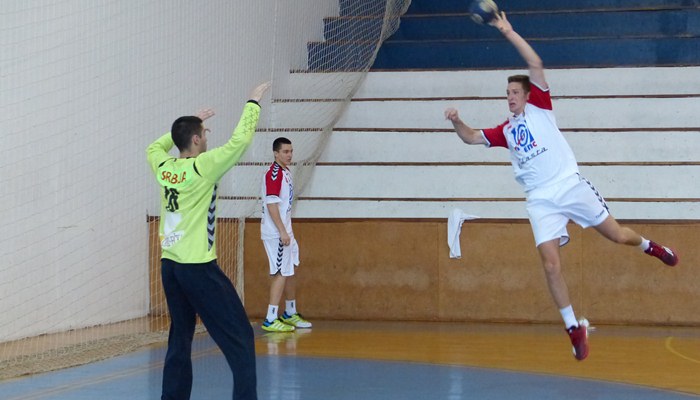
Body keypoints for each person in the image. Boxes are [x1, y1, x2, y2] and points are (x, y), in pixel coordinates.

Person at [444, 13, 678, 361]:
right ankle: (573, 327)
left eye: (515, 92)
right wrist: (457, 121)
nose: (510, 97)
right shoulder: (505, 131)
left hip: (569, 185)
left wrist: (508, 31)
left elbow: (535, 63)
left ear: (528, 95)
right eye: (507, 93)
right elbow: (470, 137)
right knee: (551, 265)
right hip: (540, 200)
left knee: (617, 235)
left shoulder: (540, 108)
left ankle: (649, 246)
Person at [146, 81, 271, 399]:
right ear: (196, 139)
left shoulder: (163, 166)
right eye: (203, 133)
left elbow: (154, 148)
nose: (206, 137)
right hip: (198, 268)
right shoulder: (204, 167)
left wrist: (185, 126)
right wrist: (252, 103)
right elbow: (240, 141)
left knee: (180, 337)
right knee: (241, 337)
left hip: (170, 266)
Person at [260, 137, 313, 333]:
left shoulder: (286, 172)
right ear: (276, 153)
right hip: (276, 233)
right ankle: (270, 318)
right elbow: (272, 205)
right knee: (281, 272)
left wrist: (287, 231)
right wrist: (282, 231)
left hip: (286, 231)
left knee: (290, 269)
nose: (289, 155)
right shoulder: (274, 174)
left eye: (291, 151)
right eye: (285, 151)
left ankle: (290, 312)